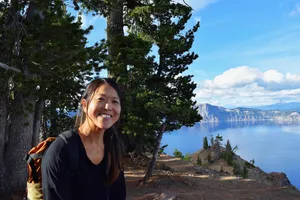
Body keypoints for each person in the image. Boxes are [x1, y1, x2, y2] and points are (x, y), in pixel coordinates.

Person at [41, 78, 126, 200]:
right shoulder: (62, 150)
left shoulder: (113, 147)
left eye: (115, 101)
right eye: (101, 99)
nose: (108, 106)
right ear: (85, 105)